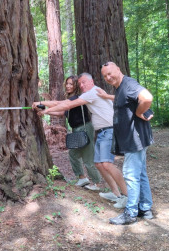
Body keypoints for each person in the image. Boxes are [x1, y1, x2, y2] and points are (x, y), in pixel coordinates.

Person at [33, 73, 128, 209]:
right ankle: (116, 193)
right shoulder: (86, 94)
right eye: (80, 83)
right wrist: (46, 111)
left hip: (108, 129)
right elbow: (63, 106)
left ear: (91, 81)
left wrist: (42, 104)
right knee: (99, 164)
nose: (81, 85)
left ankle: (126, 196)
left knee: (106, 163)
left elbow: (64, 105)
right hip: (101, 131)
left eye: (83, 82)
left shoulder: (92, 92)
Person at [100, 62, 154, 225]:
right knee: (140, 173)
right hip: (135, 138)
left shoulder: (128, 84)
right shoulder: (120, 88)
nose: (108, 77)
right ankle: (145, 208)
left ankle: (130, 213)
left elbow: (147, 98)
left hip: (134, 139)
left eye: (110, 73)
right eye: (105, 76)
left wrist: (139, 112)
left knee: (131, 175)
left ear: (118, 69)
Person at [34, 75, 101, 190]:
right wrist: (45, 112)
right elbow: (62, 113)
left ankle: (96, 183)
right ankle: (82, 178)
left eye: (71, 84)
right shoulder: (70, 98)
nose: (68, 86)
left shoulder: (77, 97)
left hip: (84, 128)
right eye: (67, 83)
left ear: (76, 86)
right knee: (73, 154)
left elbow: (57, 104)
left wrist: (41, 103)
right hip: (76, 129)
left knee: (87, 157)